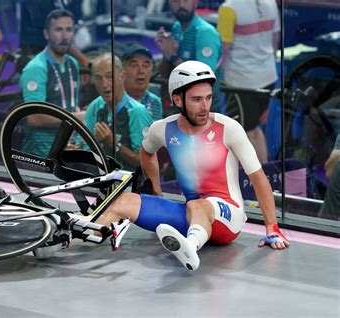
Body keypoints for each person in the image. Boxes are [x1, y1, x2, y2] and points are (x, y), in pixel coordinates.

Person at [93, 60, 288, 271]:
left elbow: (258, 178)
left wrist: (272, 227)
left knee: (198, 205)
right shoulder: (163, 129)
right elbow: (146, 151)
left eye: (208, 98)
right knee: (121, 202)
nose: (205, 106)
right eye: (196, 99)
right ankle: (79, 235)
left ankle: (189, 248)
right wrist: (156, 188)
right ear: (178, 99)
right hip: (190, 213)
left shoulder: (229, 128)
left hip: (228, 218)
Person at [217, 0, 280, 164]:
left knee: (245, 133)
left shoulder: (228, 8)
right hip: (268, 77)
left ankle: (258, 182)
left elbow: (224, 49)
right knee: (254, 129)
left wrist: (214, 76)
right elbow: (275, 39)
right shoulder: (271, 2)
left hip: (242, 82)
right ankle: (265, 178)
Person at [19, 9, 84, 157]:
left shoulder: (72, 63)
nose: (64, 36)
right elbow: (34, 118)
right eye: (58, 30)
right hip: (42, 153)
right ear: (46, 34)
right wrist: (79, 118)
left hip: (69, 148)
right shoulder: (37, 68)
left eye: (69, 30)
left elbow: (71, 104)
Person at [83, 53, 153, 170]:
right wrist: (76, 152)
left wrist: (113, 144)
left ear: (122, 76)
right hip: (97, 183)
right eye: (98, 78)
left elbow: (145, 162)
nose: (104, 84)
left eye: (110, 77)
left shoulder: (137, 112)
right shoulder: (94, 107)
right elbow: (86, 150)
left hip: (128, 186)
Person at [155, 0, 222, 112]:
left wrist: (174, 57)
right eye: (176, 1)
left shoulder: (205, 33)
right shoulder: (177, 27)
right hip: (180, 106)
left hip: (202, 111)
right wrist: (166, 52)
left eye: (186, 0)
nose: (181, 5)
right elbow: (165, 74)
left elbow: (203, 78)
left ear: (195, 2)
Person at [122, 43, 163, 121]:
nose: (141, 71)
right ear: (122, 71)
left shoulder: (155, 102)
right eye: (134, 65)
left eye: (145, 66)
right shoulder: (112, 100)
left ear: (151, 71)